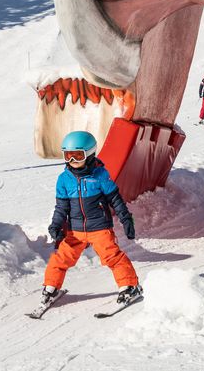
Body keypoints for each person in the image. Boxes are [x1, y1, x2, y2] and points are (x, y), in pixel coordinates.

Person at [41, 131, 140, 308]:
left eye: (77, 156)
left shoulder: (100, 175)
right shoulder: (64, 179)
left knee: (112, 257)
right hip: (75, 231)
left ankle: (129, 286)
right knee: (60, 259)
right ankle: (51, 287)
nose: (72, 161)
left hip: (100, 228)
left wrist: (126, 219)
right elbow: (61, 207)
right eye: (68, 156)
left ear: (90, 154)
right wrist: (56, 224)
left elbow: (115, 199)